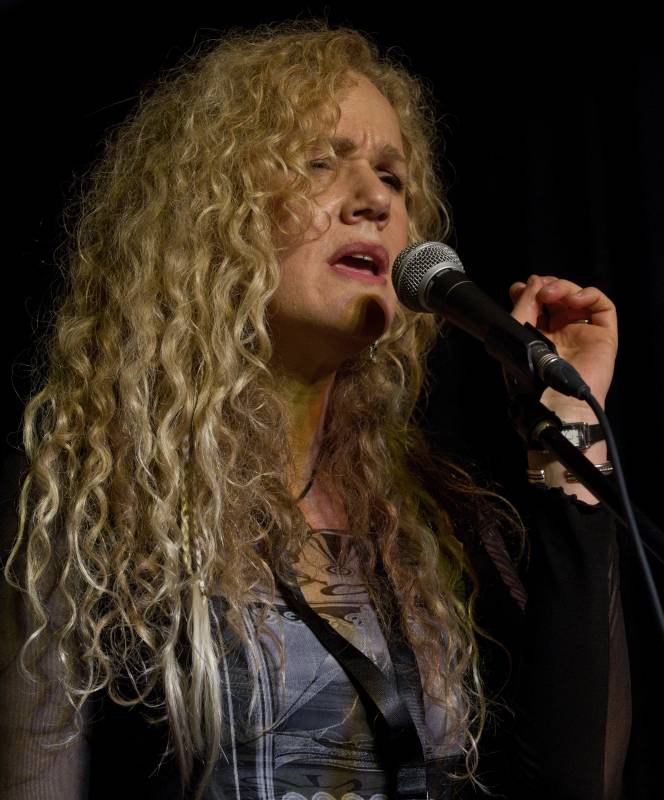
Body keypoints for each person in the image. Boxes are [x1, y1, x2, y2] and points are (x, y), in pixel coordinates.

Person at [0, 21, 632, 800]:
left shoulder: (440, 517)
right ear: (212, 212)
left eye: (393, 178)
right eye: (319, 163)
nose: (374, 200)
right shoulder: (96, 500)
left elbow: (577, 780)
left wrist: (569, 431)